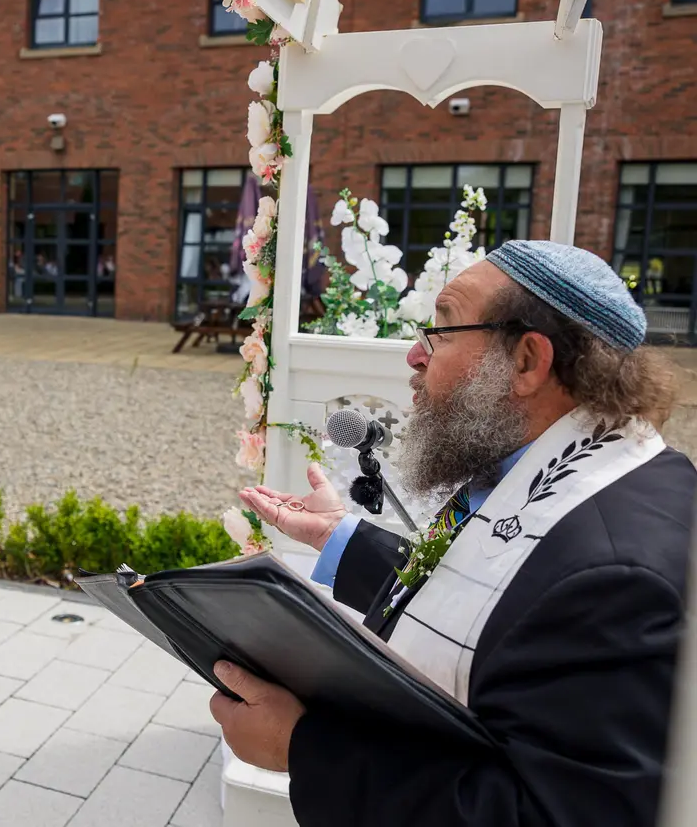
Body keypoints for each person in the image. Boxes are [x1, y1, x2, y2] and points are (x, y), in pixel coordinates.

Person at [215, 240, 695, 827]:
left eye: (440, 331)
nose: (415, 356)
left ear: (526, 362)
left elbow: (548, 814)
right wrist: (337, 537)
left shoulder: (614, 575)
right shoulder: (554, 468)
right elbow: (494, 605)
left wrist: (304, 748)